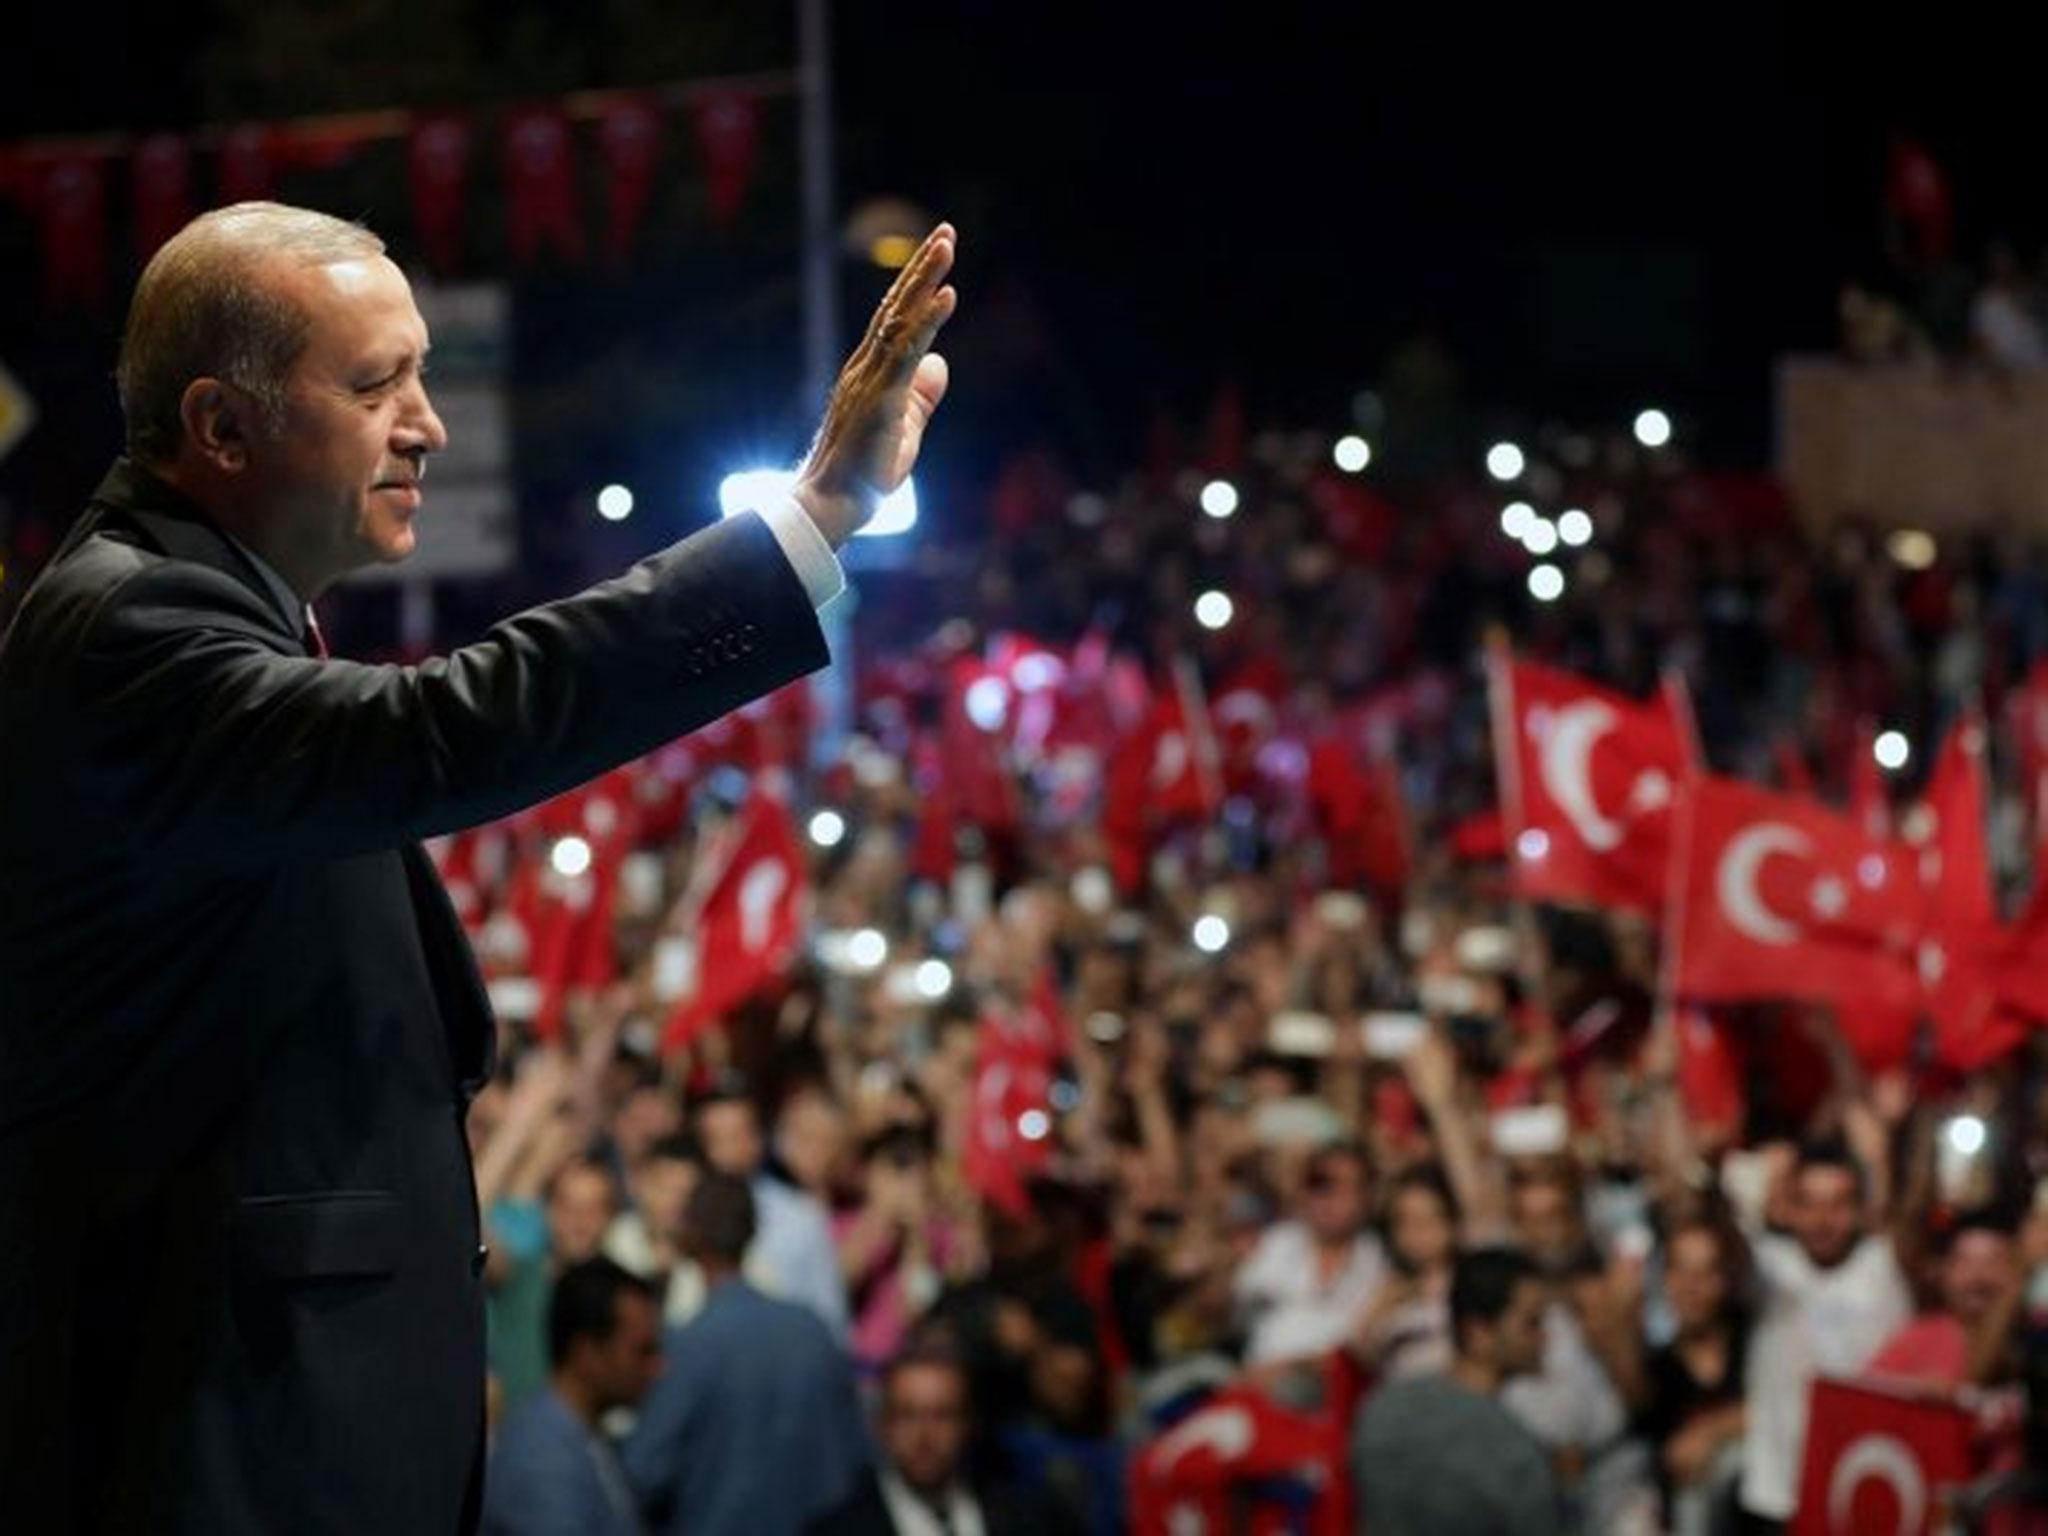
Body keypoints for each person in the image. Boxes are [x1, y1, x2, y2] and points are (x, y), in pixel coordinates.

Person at [0, 199, 957, 1532]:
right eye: (376, 382)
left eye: (424, 374)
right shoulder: (129, 627)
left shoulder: (214, 615)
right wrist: (810, 522)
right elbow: (440, 728)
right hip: (218, 1451)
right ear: (221, 427)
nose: (428, 425)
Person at [621, 1172, 870, 1534]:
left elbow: (644, 1471)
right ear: (753, 1232)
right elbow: (854, 1455)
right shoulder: (811, 1331)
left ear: (691, 1235)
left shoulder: (689, 1345)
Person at [1738, 1141, 1912, 1528]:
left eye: (1838, 1204)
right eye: (1809, 1203)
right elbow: (1717, 1241)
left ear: (1861, 1210)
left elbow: (1915, 1211)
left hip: (1861, 1488)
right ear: (1789, 1207)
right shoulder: (1768, 1267)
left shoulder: (1885, 1265)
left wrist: (1885, 1148)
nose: (1822, 1219)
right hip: (1777, 1493)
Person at [1351, 1246, 1563, 1535]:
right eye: (1531, 1323)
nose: (1545, 1338)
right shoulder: (1513, 1453)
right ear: (1478, 1332)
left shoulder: (1382, 1408)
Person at [804, 1346, 1084, 1536]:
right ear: (882, 1426)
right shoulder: (838, 1530)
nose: (925, 1435)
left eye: (942, 1415)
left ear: (969, 1424)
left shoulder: (1030, 1520)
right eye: (907, 1415)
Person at [481, 1257, 663, 1536]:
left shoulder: (584, 1439)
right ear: (587, 1353)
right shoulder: (542, 1460)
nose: (657, 1367)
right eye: (643, 1351)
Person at [695, 1086, 851, 1334]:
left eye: (738, 1136)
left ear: (757, 1140)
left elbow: (829, 1317)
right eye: (717, 1139)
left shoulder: (801, 1218)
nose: (729, 1151)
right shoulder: (685, 1217)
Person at [1234, 1140, 1387, 1367]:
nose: (1330, 1199)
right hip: (1258, 1381)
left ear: (1366, 1197)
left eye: (1345, 1188)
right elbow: (1235, 1313)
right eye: (1320, 1185)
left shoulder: (1380, 1263)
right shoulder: (1275, 1244)